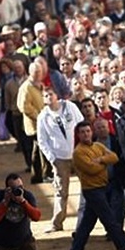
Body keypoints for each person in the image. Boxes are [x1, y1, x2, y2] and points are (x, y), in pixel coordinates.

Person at [69, 121, 125, 250]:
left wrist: (100, 160)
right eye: (82, 132)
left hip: (101, 188)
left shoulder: (98, 146)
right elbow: (91, 169)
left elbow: (114, 157)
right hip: (92, 190)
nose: (86, 134)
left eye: (88, 131)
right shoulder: (78, 152)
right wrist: (104, 164)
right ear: (78, 135)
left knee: (87, 223)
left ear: (92, 132)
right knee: (110, 220)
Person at [36, 86, 83, 233]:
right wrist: (52, 158)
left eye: (51, 94)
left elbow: (81, 124)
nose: (49, 97)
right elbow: (42, 141)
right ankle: (57, 222)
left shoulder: (70, 106)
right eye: (46, 95)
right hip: (60, 158)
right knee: (61, 191)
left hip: (78, 153)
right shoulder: (43, 116)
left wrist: (83, 148)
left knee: (88, 187)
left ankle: (84, 221)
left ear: (56, 95)